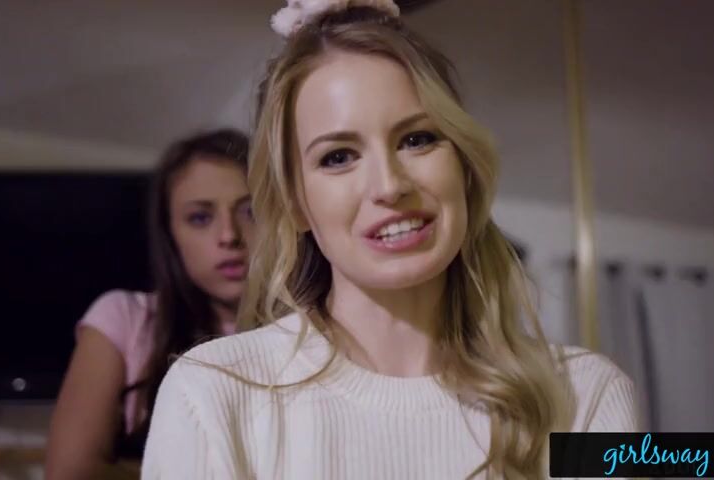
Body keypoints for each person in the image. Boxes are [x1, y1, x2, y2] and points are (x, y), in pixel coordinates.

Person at [142, 2, 637, 479]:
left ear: (464, 167)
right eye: (338, 157)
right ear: (295, 204)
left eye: (417, 139)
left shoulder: (586, 395)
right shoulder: (211, 393)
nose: (389, 186)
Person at [45, 129, 254, 479]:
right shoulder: (126, 318)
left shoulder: (315, 330)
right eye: (200, 218)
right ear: (169, 234)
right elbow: (71, 472)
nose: (229, 235)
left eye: (252, 212)